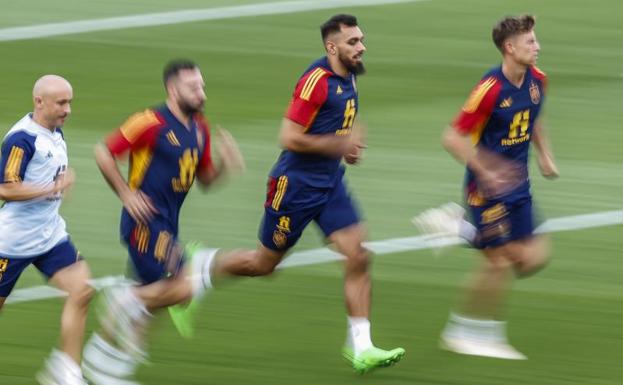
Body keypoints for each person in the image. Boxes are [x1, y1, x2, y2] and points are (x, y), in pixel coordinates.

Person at [171, 14, 405, 374]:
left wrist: (351, 143)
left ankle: (361, 347)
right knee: (264, 265)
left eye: (361, 40)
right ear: (332, 47)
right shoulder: (316, 82)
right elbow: (289, 136)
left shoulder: (350, 74)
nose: (361, 47)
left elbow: (347, 117)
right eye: (353, 42)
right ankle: (199, 266)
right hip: (294, 187)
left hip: (330, 184)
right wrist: (336, 144)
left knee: (358, 254)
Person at [81, 59, 244, 385]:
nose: (201, 93)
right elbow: (103, 151)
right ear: (173, 89)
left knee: (152, 306)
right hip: (144, 223)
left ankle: (108, 370)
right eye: (193, 87)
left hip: (169, 224)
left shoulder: (200, 129)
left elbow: (206, 180)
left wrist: (225, 163)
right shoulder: (149, 121)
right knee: (180, 291)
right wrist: (127, 195)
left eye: (202, 86)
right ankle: (123, 298)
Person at [413, 14, 558, 360]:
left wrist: (545, 155)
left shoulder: (538, 80)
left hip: (519, 184)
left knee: (533, 258)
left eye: (536, 41)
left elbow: (534, 116)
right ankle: (466, 333)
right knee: (499, 262)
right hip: (486, 188)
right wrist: (486, 170)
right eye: (530, 43)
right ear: (510, 48)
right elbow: (451, 138)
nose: (537, 47)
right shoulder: (489, 90)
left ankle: (458, 228)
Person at [0, 75, 93, 385]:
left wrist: (55, 187)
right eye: (61, 103)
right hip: (11, 243)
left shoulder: (55, 132)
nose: (67, 109)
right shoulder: (22, 139)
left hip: (50, 236)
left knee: (82, 291)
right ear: (39, 101)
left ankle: (66, 371)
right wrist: (51, 187)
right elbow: (6, 189)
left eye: (70, 102)